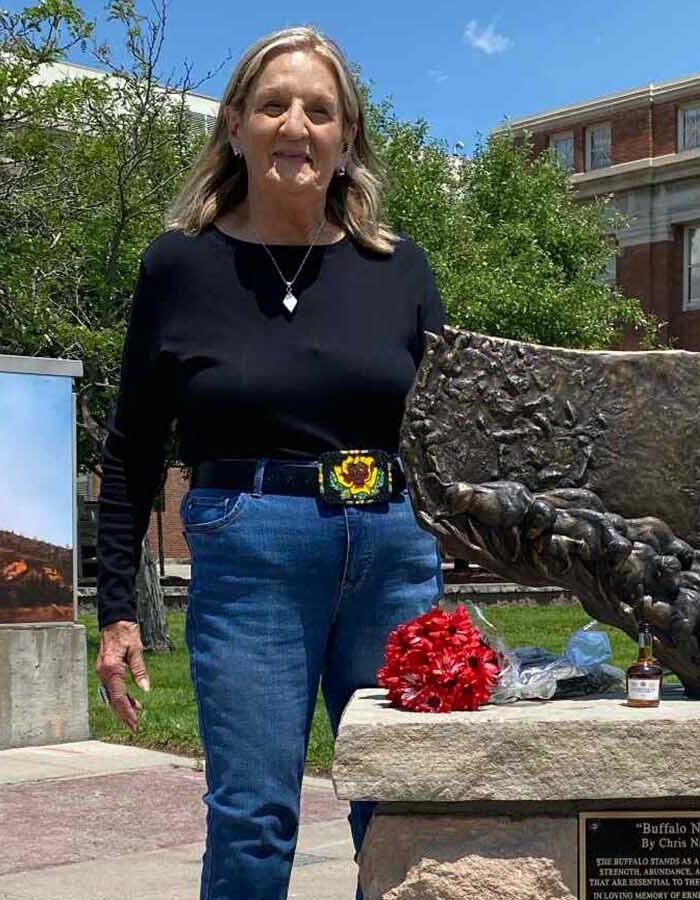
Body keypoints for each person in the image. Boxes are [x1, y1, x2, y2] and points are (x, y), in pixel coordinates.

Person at [93, 26, 445, 900]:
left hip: (394, 557)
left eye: (320, 111)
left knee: (400, 806)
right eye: (275, 105)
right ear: (236, 127)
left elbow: (451, 435)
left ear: (347, 136)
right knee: (253, 815)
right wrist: (116, 612)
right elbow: (133, 444)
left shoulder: (400, 269)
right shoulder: (180, 266)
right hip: (251, 553)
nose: (298, 125)